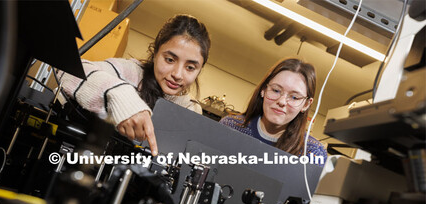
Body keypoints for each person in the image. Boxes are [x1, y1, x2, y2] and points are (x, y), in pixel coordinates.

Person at [60, 14, 211, 156]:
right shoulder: (130, 72)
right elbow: (69, 72)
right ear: (155, 52)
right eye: (170, 60)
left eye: (190, 68)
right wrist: (123, 98)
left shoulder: (192, 109)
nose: (177, 74)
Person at [219, 58, 327, 163]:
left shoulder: (312, 154)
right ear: (263, 90)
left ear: (306, 104)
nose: (282, 101)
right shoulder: (230, 127)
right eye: (276, 90)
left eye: (294, 97)